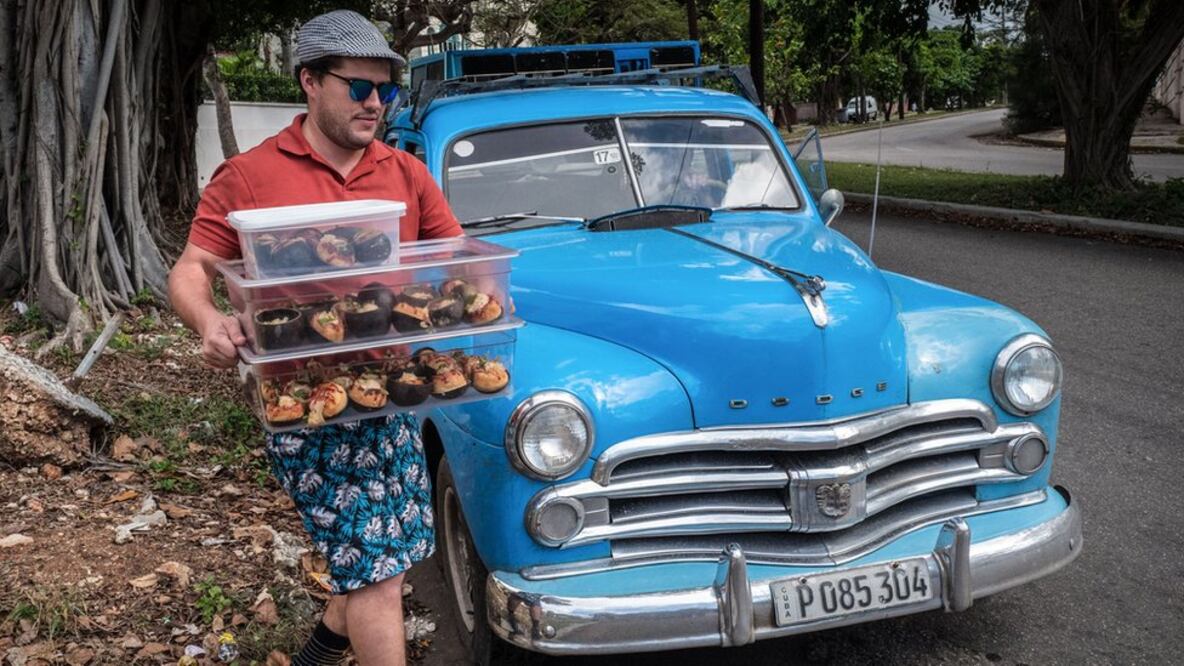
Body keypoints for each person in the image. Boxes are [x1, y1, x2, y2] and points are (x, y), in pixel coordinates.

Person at [168, 10, 461, 665]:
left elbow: (454, 257)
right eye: (359, 87)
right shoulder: (249, 176)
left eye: (386, 89)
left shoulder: (405, 173)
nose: (376, 103)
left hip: (392, 394)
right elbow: (190, 268)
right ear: (310, 81)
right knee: (378, 575)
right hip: (305, 405)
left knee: (390, 556)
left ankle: (315, 656)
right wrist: (211, 322)